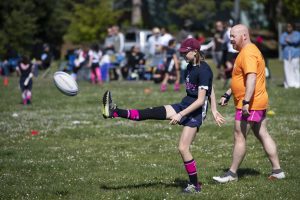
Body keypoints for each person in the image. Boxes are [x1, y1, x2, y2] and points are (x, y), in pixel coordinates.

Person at [102, 38, 225, 193]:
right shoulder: (190, 66)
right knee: (151, 112)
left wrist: (196, 112)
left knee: (183, 148)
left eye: (185, 52)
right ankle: (114, 111)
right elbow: (210, 87)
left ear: (195, 51)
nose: (182, 55)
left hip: (195, 113)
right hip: (185, 105)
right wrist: (212, 109)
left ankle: (195, 185)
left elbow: (201, 100)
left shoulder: (204, 69)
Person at [213, 24, 285, 183]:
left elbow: (251, 78)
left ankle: (232, 174)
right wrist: (227, 93)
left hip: (250, 103)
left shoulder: (249, 53)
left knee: (239, 135)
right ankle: (278, 170)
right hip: (255, 101)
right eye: (230, 36)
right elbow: (241, 79)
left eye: (233, 36)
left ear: (244, 36)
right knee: (262, 133)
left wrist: (245, 102)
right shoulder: (244, 52)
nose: (230, 39)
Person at [279, 23, 300, 89]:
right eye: (287, 27)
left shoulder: (297, 33)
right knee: (287, 69)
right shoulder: (284, 35)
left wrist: (289, 41)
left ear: (293, 27)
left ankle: (297, 83)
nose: (289, 28)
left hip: (295, 54)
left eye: (290, 27)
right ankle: (288, 84)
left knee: (295, 68)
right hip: (286, 54)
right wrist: (291, 42)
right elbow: (281, 41)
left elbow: (296, 41)